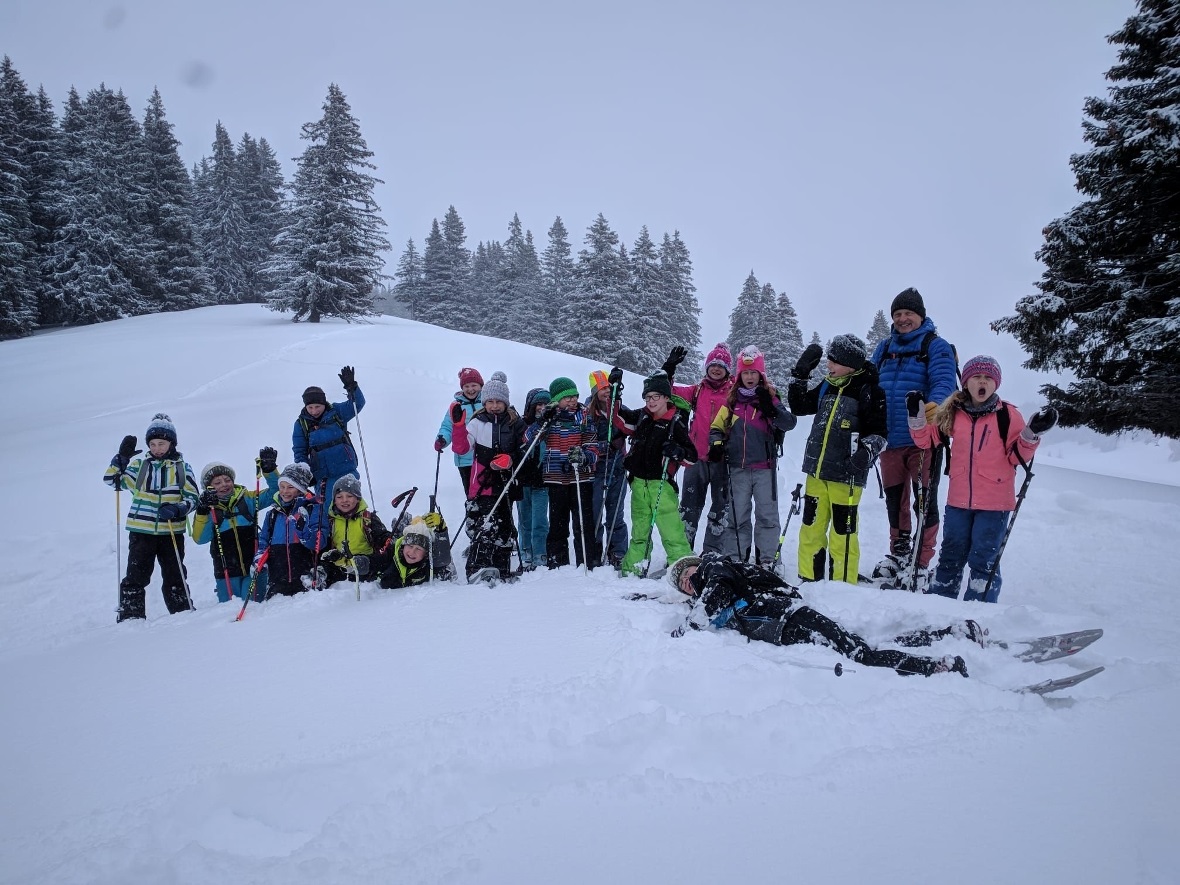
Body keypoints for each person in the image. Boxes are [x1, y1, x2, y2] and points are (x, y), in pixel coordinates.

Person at [669, 553, 973, 677]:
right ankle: (945, 636)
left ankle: (938, 667)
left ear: (695, 564)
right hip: (783, 628)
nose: (687, 583)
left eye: (686, 574)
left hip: (789, 615)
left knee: (861, 654)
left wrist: (691, 624)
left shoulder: (713, 568)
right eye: (683, 586)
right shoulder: (707, 590)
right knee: (862, 646)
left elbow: (719, 590)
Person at [909, 355, 1058, 602]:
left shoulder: (1008, 415)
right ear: (966, 382)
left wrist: (1032, 433)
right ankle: (938, 605)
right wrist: (916, 417)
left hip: (995, 504)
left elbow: (1017, 457)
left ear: (995, 384)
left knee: (983, 559)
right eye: (977, 377)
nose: (982, 381)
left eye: (988, 378)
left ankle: (979, 612)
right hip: (958, 501)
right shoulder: (953, 413)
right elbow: (927, 440)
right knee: (950, 556)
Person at [870, 288, 960, 589]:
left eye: (908, 313)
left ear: (920, 315)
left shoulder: (935, 346)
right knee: (895, 502)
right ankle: (898, 553)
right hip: (889, 441)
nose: (902, 319)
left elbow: (945, 382)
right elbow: (869, 385)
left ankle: (921, 562)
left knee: (925, 502)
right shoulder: (883, 349)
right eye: (897, 314)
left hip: (924, 440)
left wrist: (933, 410)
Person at [787, 335, 888, 585]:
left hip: (847, 476)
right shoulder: (826, 385)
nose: (829, 365)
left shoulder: (869, 390)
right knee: (811, 529)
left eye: (834, 361)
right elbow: (799, 407)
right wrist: (800, 377)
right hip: (816, 473)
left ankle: (843, 587)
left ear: (850, 364)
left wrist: (865, 452)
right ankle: (808, 581)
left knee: (843, 534)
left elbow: (880, 434)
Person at [103, 413, 200, 622]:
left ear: (171, 443)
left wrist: (178, 509)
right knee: (136, 575)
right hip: (141, 531)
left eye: (162, 444)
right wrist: (121, 459)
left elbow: (193, 497)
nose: (157, 448)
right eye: (153, 444)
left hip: (171, 532)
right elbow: (112, 480)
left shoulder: (182, 468)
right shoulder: (139, 467)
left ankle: (182, 614)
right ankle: (131, 616)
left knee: (175, 575)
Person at [707, 346, 797, 565]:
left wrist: (770, 408)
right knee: (738, 516)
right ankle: (736, 559)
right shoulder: (732, 401)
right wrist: (717, 444)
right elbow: (716, 428)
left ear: (760, 375)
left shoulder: (771, 398)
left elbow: (789, 423)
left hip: (764, 467)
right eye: (745, 373)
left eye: (753, 372)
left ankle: (768, 560)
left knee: (767, 516)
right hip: (737, 468)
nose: (749, 377)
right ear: (739, 376)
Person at [611, 370, 698, 576]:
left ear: (666, 397)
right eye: (648, 397)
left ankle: (685, 572)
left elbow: (692, 456)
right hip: (639, 483)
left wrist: (676, 451)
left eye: (655, 397)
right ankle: (633, 570)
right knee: (640, 532)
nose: (651, 401)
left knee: (671, 532)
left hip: (662, 485)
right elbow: (618, 420)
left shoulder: (675, 422)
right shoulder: (642, 417)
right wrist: (615, 392)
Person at [450, 371, 525, 581]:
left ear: (505, 402)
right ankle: (477, 568)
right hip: (483, 484)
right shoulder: (477, 422)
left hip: (506, 483)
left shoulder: (514, 422)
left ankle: (501, 567)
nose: (494, 406)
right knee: (484, 526)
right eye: (490, 401)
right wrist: (457, 427)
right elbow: (462, 448)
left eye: (498, 402)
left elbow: (524, 450)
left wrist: (510, 458)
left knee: (503, 526)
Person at [666, 343, 737, 554]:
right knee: (688, 508)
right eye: (713, 365)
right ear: (707, 367)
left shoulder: (735, 392)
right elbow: (667, 392)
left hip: (722, 459)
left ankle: (712, 554)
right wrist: (669, 369)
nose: (716, 369)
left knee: (720, 509)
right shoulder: (696, 390)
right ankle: (683, 553)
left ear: (727, 370)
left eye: (721, 366)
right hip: (695, 458)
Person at [525, 376, 599, 569]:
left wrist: (584, 457)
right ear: (557, 400)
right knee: (558, 523)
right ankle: (558, 563)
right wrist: (543, 420)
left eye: (574, 396)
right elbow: (528, 438)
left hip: (580, 477)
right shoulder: (550, 418)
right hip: (556, 478)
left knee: (583, 522)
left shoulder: (584, 416)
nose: (572, 400)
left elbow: (593, 447)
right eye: (567, 397)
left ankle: (587, 561)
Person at [189, 449, 280, 603]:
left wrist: (269, 471)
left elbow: (276, 493)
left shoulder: (248, 499)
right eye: (217, 483)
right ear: (209, 488)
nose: (224, 484)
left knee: (252, 607)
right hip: (226, 573)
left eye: (227, 480)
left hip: (254, 569)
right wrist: (203, 510)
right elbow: (200, 538)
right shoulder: (209, 509)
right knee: (228, 611)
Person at [292, 366, 365, 521]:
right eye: (310, 407)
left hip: (347, 469)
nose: (314, 410)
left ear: (324, 403)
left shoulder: (337, 412)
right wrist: (305, 471)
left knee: (353, 508)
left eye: (317, 406)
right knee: (329, 513)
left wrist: (352, 387)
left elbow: (357, 403)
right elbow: (299, 450)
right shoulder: (301, 424)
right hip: (323, 476)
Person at [308, 474, 394, 587]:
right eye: (339, 497)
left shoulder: (368, 518)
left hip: (365, 573)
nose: (344, 500)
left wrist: (391, 538)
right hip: (338, 574)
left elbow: (384, 540)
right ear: (334, 500)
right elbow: (323, 546)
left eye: (349, 496)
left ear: (357, 498)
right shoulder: (329, 520)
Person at [586, 369, 629, 567]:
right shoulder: (588, 413)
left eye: (608, 387)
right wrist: (606, 446)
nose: (605, 391)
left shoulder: (620, 410)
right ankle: (594, 553)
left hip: (618, 469)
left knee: (615, 514)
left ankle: (617, 552)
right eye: (601, 388)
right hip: (597, 470)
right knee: (595, 514)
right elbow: (586, 441)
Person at [254, 462, 315, 597]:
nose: (285, 491)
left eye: (290, 487)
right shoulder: (272, 515)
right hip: (278, 578)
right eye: (282, 487)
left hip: (303, 576)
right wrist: (259, 557)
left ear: (300, 490)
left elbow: (315, 540)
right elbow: (264, 540)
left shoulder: (309, 510)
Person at [515, 388, 551, 571]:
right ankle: (525, 550)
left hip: (542, 481)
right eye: (539, 404)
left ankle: (540, 552)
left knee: (540, 520)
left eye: (546, 404)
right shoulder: (523, 424)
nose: (542, 408)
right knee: (524, 519)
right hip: (523, 480)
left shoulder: (551, 425)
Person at [434, 367, 484, 496]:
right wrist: (442, 439)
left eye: (474, 385)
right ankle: (471, 513)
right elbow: (447, 427)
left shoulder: (487, 402)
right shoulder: (457, 406)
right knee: (470, 493)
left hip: (486, 457)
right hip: (465, 458)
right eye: (466, 386)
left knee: (487, 493)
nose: (470, 389)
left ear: (481, 385)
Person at [379, 516, 442, 589]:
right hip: (400, 539)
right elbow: (374, 561)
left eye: (418, 549)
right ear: (404, 545)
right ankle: (401, 526)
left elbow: (446, 569)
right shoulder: (390, 553)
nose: (412, 552)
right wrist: (365, 562)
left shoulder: (429, 564)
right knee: (395, 538)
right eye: (410, 546)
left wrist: (441, 532)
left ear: (426, 553)